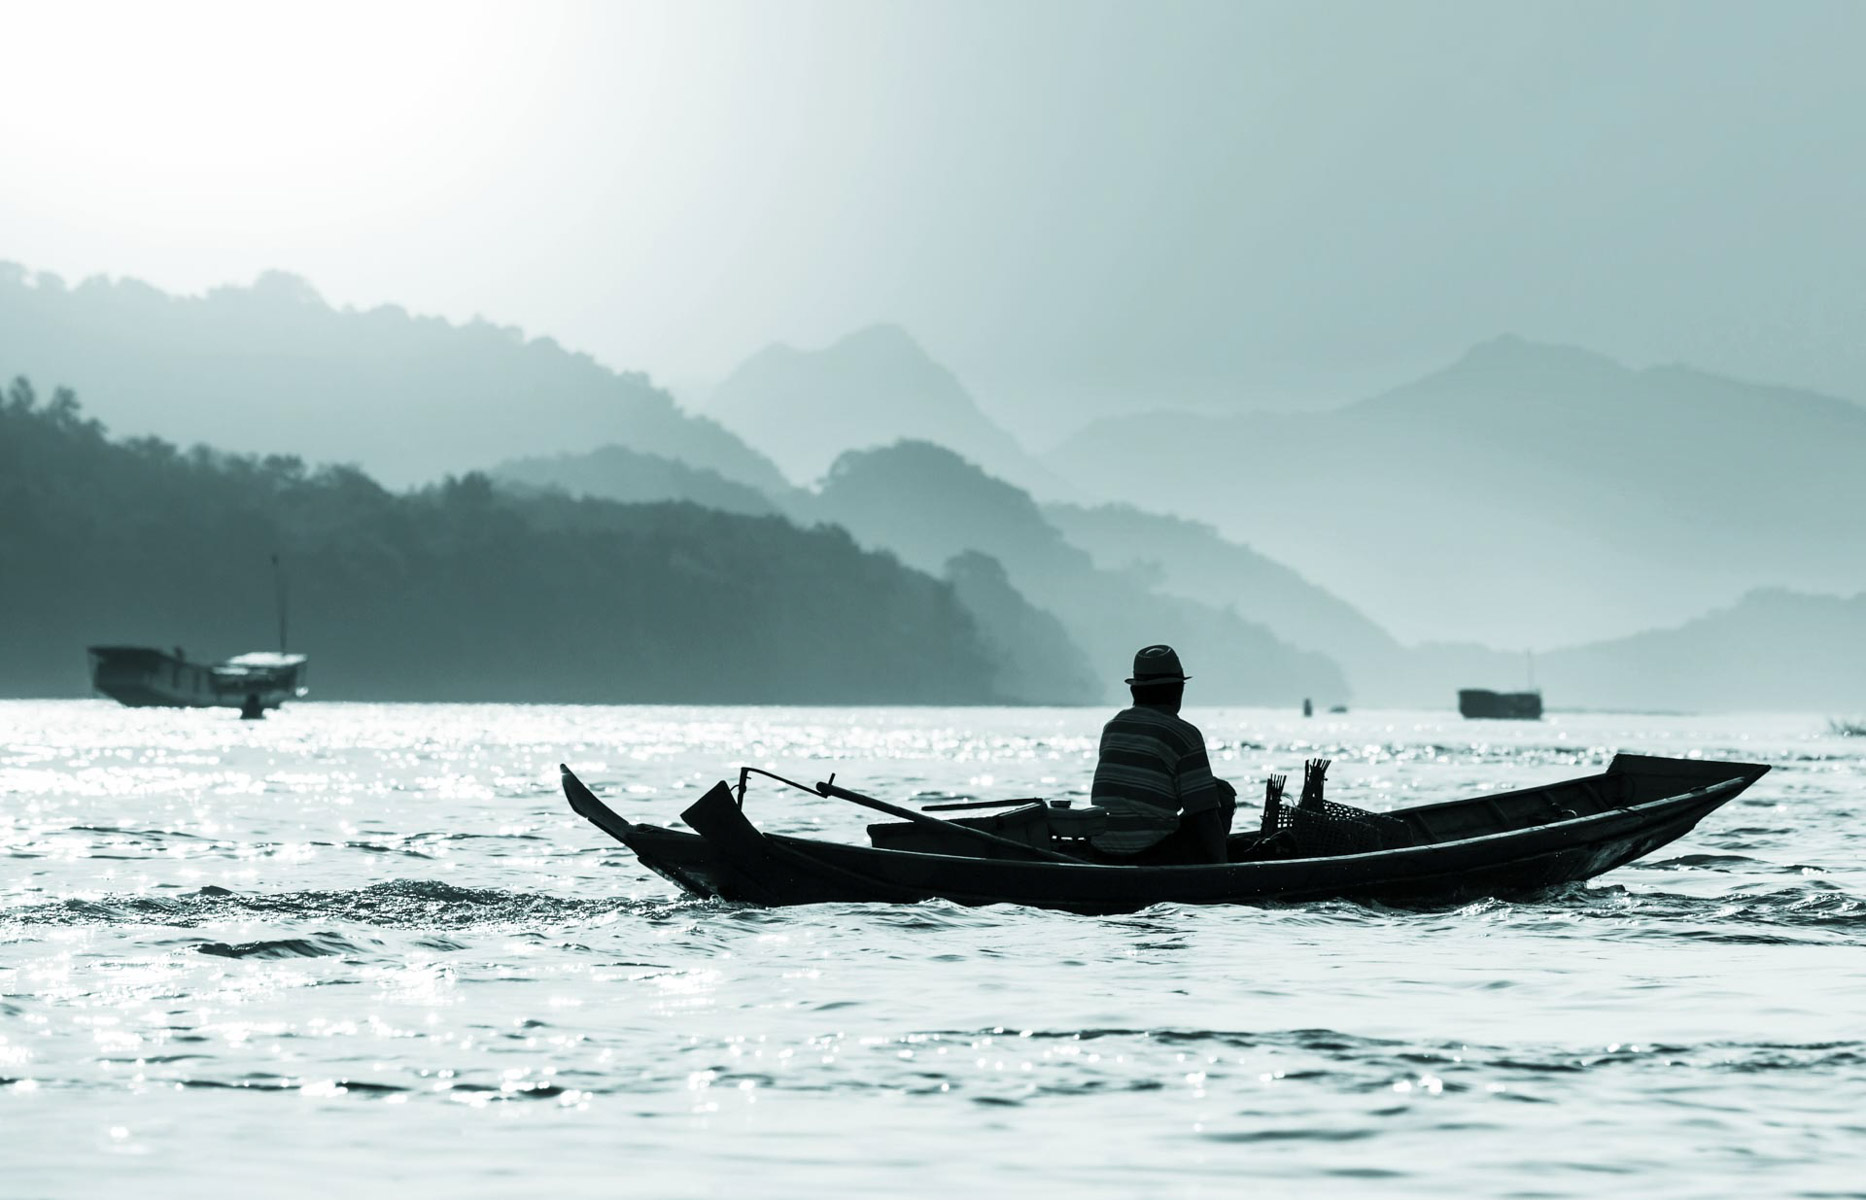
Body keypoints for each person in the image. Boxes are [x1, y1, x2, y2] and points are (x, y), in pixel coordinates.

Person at [1088, 644, 1237, 864]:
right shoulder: (1184, 735)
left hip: (1101, 850)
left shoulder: (1113, 727)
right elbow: (1204, 813)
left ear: (1134, 691)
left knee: (1205, 789)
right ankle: (1214, 869)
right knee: (1221, 795)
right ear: (1178, 691)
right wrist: (1224, 872)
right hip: (1153, 854)